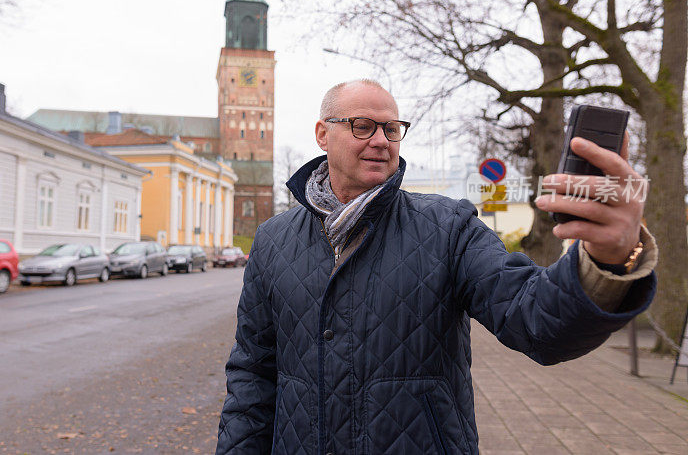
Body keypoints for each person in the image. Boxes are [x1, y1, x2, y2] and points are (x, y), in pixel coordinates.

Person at [215, 79, 657, 454]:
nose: (380, 140)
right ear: (322, 134)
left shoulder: (448, 227)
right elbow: (253, 372)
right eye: (362, 126)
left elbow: (536, 319)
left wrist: (606, 259)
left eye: (391, 129)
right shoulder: (274, 239)